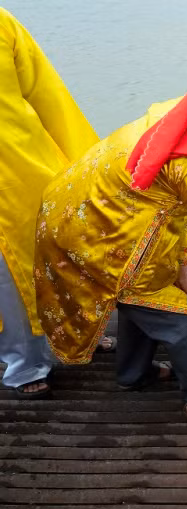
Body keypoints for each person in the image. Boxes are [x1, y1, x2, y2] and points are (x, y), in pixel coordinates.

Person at [34, 48, 187, 420]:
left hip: (75, 211)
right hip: (100, 232)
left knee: (143, 300)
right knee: (180, 317)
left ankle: (133, 374)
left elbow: (183, 208)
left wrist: (184, 271)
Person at [0, 8, 99, 398]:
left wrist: (86, 163)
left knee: (37, 269)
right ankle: (21, 364)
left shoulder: (4, 25)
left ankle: (53, 348)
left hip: (22, 170)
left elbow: (49, 96)